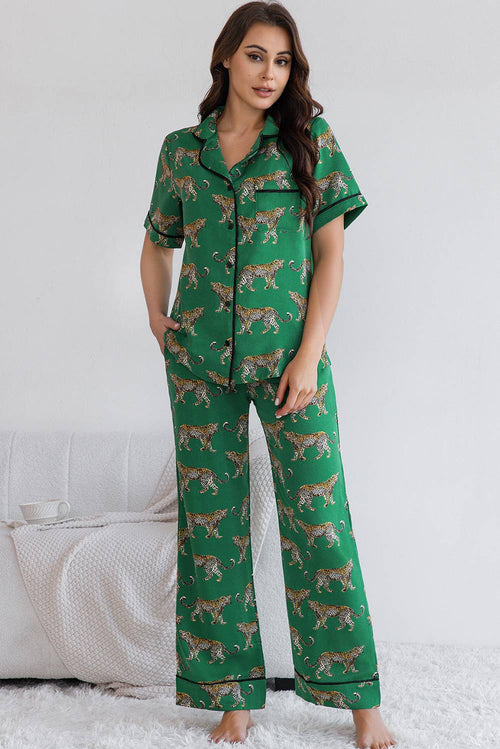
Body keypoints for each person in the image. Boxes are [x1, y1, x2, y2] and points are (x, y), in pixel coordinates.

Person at [140, 2, 396, 747]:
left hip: (291, 363)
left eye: (283, 61)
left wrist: (310, 353)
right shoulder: (182, 151)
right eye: (256, 56)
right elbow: (157, 240)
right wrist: (157, 315)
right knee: (211, 529)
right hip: (198, 363)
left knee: (319, 521)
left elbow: (331, 254)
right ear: (226, 57)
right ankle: (232, 698)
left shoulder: (309, 140)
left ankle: (361, 702)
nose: (269, 73)